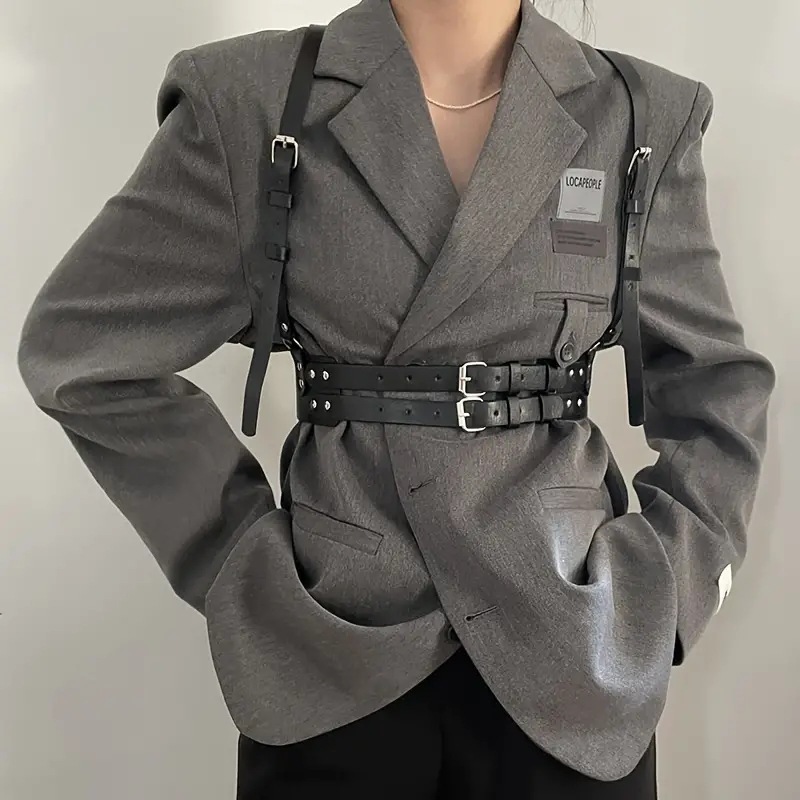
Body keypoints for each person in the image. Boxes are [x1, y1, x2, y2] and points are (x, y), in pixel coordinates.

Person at [17, 0, 776, 797]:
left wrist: (668, 592)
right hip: (332, 651)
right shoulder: (253, 102)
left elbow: (719, 384)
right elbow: (83, 351)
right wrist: (235, 560)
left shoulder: (640, 116)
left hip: (572, 656)